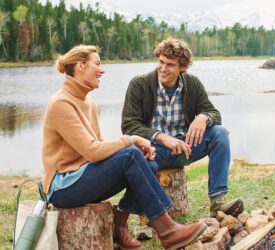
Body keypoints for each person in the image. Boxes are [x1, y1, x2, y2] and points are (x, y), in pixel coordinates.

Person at [41, 45, 206, 250]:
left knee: (147, 161)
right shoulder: (61, 103)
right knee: (130, 155)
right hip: (63, 187)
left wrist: (132, 146)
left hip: (82, 177)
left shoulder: (88, 102)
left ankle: (120, 224)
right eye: (98, 64)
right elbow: (93, 151)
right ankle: (168, 231)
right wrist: (131, 139)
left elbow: (99, 148)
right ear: (81, 66)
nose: (102, 70)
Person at [122, 38, 243, 218]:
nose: (163, 68)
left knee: (220, 133)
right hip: (153, 150)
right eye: (161, 62)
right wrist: (161, 137)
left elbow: (214, 113)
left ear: (183, 67)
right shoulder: (139, 84)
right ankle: (146, 218)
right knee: (140, 160)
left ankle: (217, 203)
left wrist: (204, 117)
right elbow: (129, 125)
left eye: (170, 64)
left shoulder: (192, 83)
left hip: (185, 148)